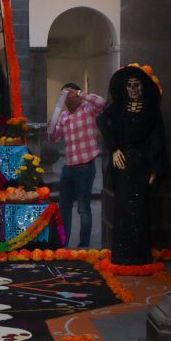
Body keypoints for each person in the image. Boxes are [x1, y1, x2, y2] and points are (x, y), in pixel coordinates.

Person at [96, 65, 167, 266]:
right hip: (123, 164)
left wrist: (156, 167)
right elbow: (101, 120)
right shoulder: (118, 107)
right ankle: (122, 255)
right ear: (125, 88)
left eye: (137, 85)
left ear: (143, 87)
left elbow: (158, 139)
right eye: (130, 85)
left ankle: (140, 257)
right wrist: (114, 149)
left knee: (141, 208)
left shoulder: (151, 110)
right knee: (123, 208)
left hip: (142, 164)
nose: (133, 89)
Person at [47, 81, 107, 248]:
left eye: (68, 94)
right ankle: (63, 244)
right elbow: (54, 139)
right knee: (64, 208)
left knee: (83, 208)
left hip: (85, 166)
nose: (65, 98)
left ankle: (83, 246)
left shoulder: (88, 109)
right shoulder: (63, 116)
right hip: (68, 167)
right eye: (63, 96)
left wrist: (80, 93)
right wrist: (50, 128)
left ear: (77, 95)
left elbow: (102, 102)